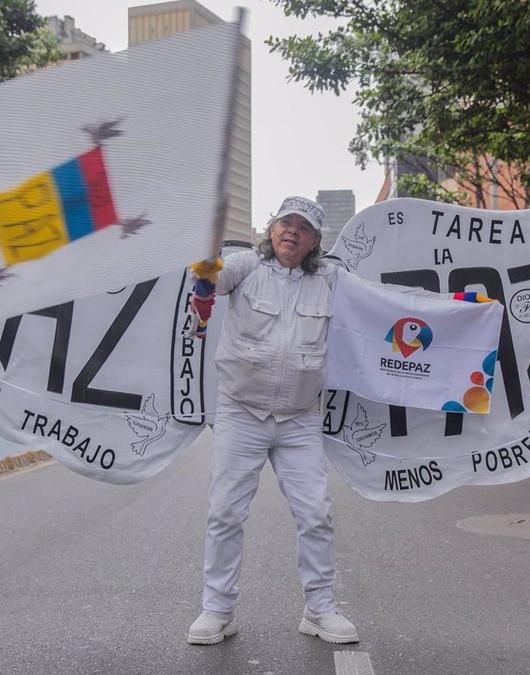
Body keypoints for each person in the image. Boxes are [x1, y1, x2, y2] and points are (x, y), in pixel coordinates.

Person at [188, 196, 398, 647]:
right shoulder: (246, 266)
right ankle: (217, 610)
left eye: (303, 228)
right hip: (241, 412)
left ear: (314, 242)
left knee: (316, 513)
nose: (292, 232)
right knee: (225, 512)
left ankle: (319, 609)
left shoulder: (332, 280)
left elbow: (385, 305)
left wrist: (459, 306)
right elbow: (211, 276)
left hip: (300, 419)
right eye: (286, 223)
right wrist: (203, 254)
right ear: (272, 229)